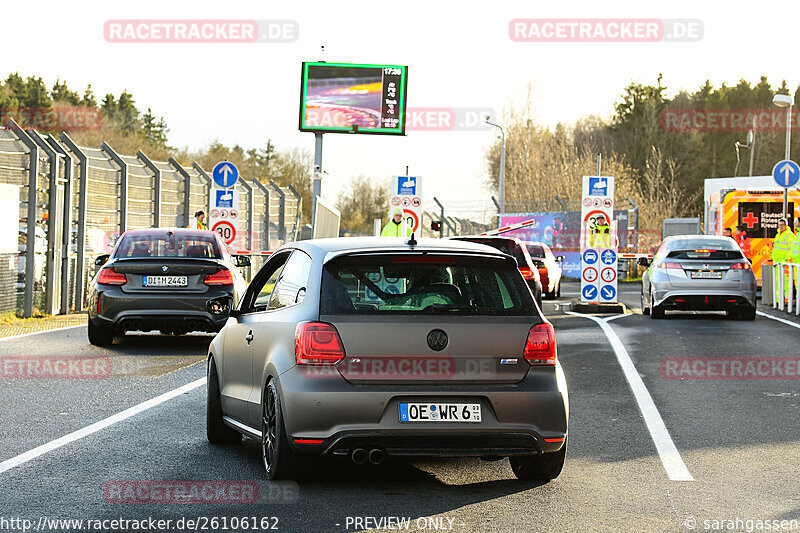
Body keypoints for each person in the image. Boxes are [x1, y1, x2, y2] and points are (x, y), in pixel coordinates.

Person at [772, 218, 794, 301]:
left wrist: (786, 259)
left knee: (786, 281)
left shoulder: (789, 235)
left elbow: (791, 248)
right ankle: (779, 300)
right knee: (778, 281)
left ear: (786, 225)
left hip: (785, 262)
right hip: (777, 262)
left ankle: (787, 299)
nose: (780, 227)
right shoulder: (778, 235)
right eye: (779, 225)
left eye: (782, 225)